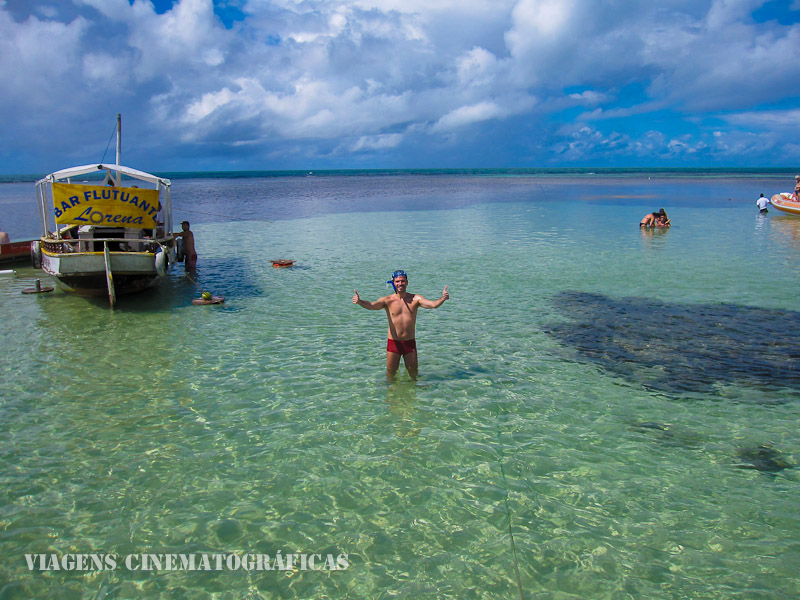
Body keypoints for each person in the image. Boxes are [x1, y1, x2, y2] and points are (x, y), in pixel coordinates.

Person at [353, 270, 449, 380]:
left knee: (414, 374)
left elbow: (432, 305)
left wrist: (443, 298)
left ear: (407, 282)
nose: (400, 284)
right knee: (391, 375)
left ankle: (412, 395)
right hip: (394, 343)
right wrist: (360, 301)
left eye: (402, 281)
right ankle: (391, 396)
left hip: (409, 342)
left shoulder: (416, 299)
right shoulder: (387, 300)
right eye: (397, 281)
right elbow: (371, 305)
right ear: (393, 283)